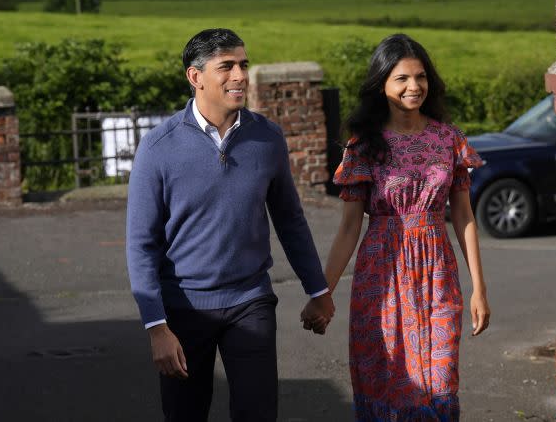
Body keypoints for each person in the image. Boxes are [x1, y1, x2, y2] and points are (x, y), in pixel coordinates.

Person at [126, 28, 335, 422]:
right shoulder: (158, 147)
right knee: (185, 414)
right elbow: (141, 243)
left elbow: (290, 219)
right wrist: (156, 326)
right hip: (183, 308)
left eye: (243, 64)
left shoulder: (267, 137)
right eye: (226, 66)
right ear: (195, 77)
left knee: (257, 413)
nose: (239, 75)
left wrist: (318, 289)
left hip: (250, 301)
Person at [319, 33, 491, 420]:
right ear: (382, 85)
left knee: (440, 378)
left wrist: (479, 287)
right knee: (389, 377)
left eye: (421, 77)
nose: (414, 86)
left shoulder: (449, 138)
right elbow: (348, 229)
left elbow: (463, 215)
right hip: (381, 276)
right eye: (402, 79)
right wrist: (322, 292)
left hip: (438, 272)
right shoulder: (364, 144)